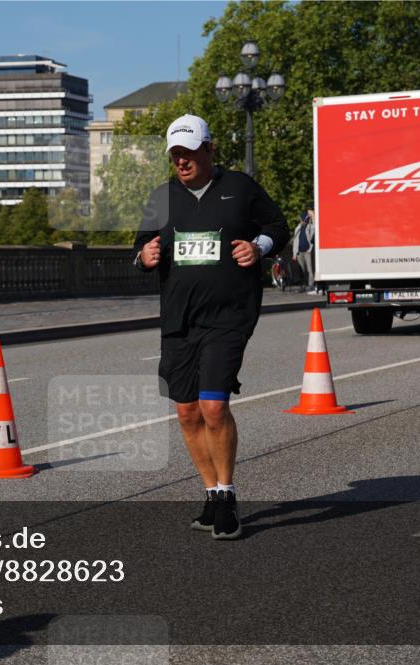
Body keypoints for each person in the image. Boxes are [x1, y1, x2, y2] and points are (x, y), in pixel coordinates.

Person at [133, 114, 288, 540]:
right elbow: (140, 245)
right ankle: (210, 492)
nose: (181, 161)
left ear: (209, 149)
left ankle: (227, 492)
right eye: (175, 154)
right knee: (186, 413)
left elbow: (278, 227)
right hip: (178, 321)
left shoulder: (240, 188)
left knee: (214, 407)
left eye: (189, 152)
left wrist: (258, 247)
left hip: (228, 318)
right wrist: (143, 255)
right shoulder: (162, 196)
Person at [292, 207, 316, 293]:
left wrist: (310, 249)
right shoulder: (297, 228)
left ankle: (311, 285)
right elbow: (295, 241)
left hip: (307, 252)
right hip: (299, 252)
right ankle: (302, 286)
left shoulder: (310, 227)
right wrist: (294, 254)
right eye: (302, 219)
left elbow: (313, 234)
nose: (303, 221)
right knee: (301, 270)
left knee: (309, 270)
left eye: (304, 219)